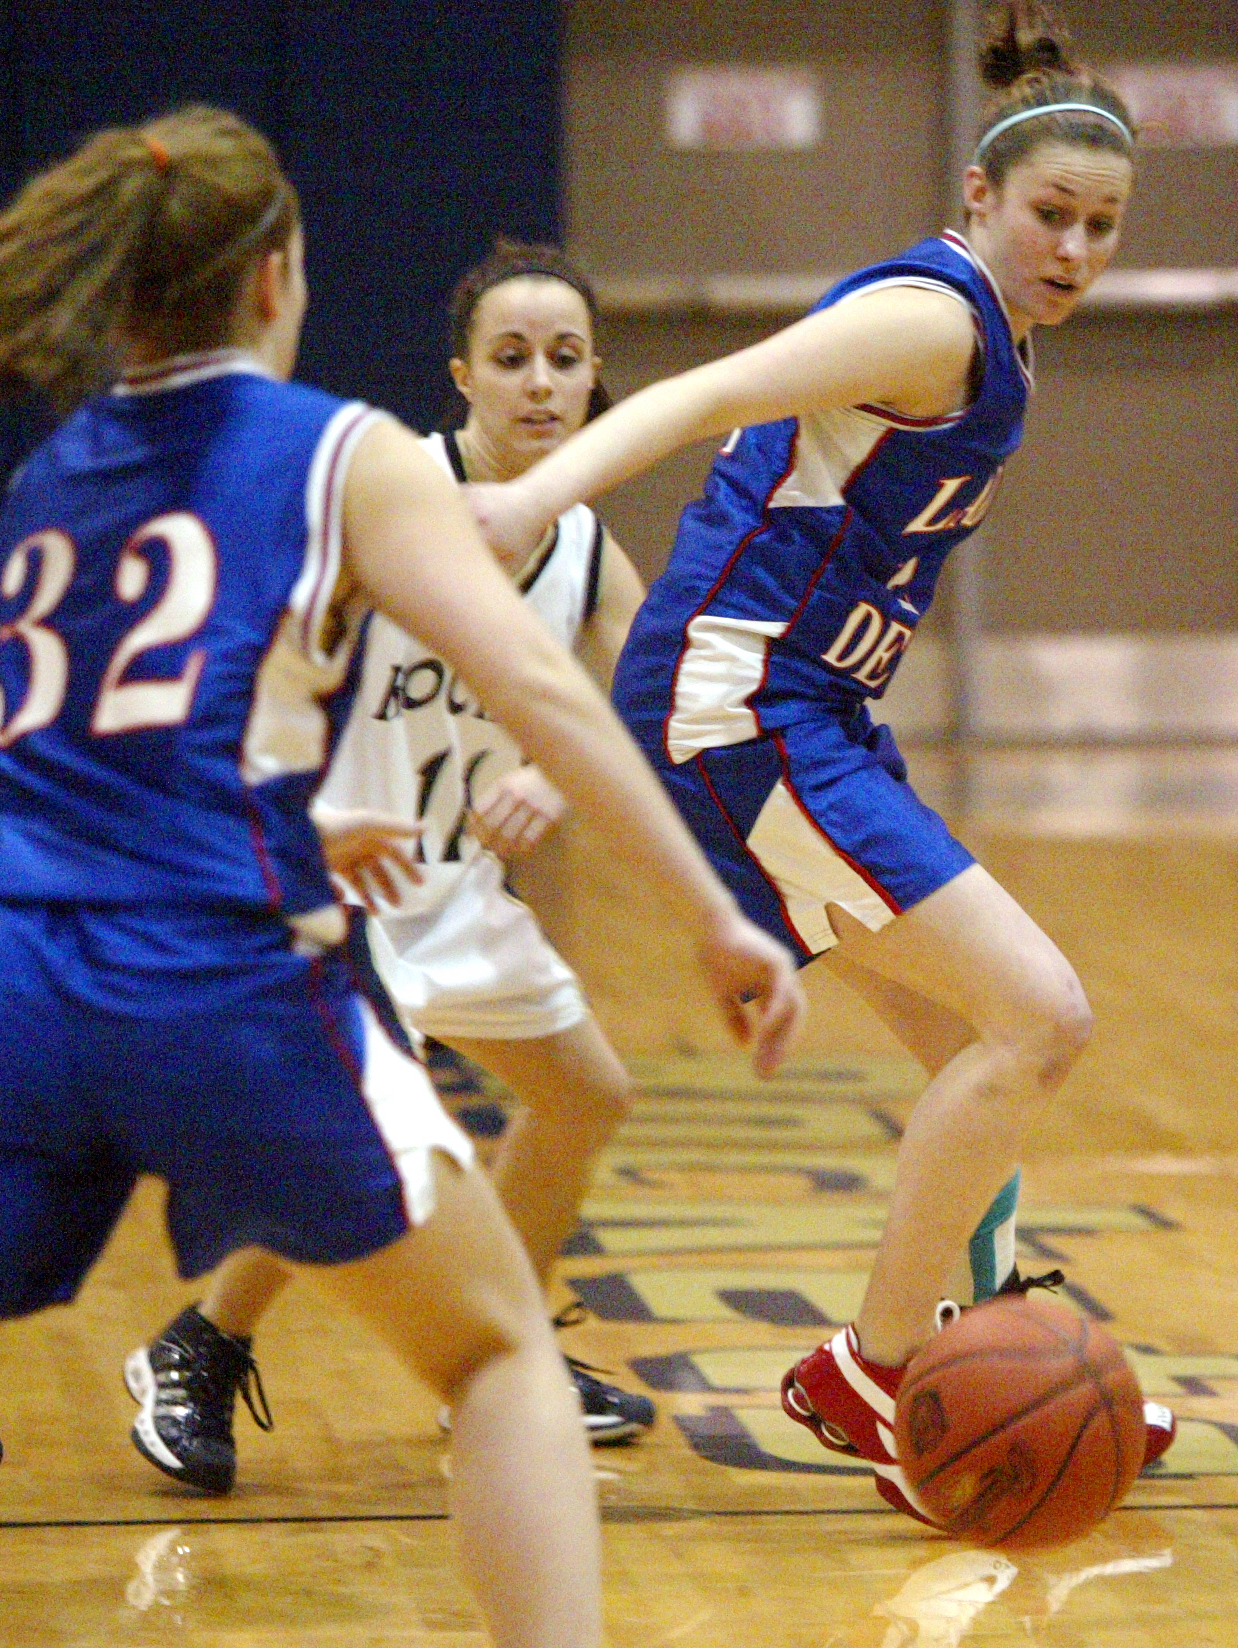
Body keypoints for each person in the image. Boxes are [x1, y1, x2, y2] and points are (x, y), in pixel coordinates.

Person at [0, 106, 801, 1648]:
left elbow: (83, 733)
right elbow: (546, 689)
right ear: (277, 279)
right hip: (209, 974)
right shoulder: (341, 452)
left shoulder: (54, 482)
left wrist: (290, 821)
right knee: (498, 1357)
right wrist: (712, 912)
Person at [459, 0, 1176, 1527]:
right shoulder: (933, 319)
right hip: (741, 714)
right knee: (1040, 1017)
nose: (1074, 247)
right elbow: (707, 393)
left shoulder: (1007, 346)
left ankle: (1001, 1349)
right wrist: (534, 508)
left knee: (969, 1058)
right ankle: (875, 1369)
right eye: (1051, 213)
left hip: (812, 716)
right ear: (978, 201)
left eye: (1103, 226)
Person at [124, 239, 662, 1494]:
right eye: (513, 358)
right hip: (334, 880)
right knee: (367, 1131)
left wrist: (560, 770)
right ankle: (198, 1344)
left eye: (566, 360)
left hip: (455, 894)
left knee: (586, 1094)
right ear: (461, 375)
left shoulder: (579, 543)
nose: (540, 383)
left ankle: (508, 1351)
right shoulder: (384, 492)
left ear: (594, 386)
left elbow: (647, 679)